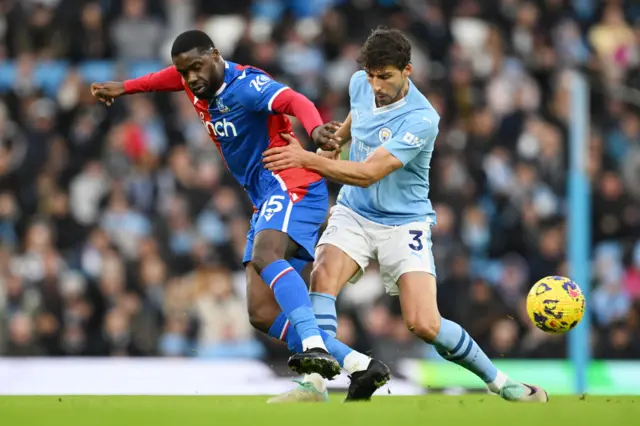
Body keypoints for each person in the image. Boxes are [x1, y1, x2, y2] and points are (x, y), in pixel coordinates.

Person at [263, 27, 549, 403]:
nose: (376, 85)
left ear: (407, 70)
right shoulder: (359, 84)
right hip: (354, 213)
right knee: (323, 275)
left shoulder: (422, 119)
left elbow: (368, 173)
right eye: (371, 75)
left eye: (386, 77)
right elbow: (357, 118)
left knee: (424, 323)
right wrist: (336, 142)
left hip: (403, 222)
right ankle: (315, 384)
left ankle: (499, 382)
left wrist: (307, 159)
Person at [91, 30, 383, 387]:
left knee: (266, 253)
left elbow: (295, 100)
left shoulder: (246, 85)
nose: (191, 78)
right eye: (185, 72)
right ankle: (358, 364)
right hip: (263, 195)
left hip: (290, 180)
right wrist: (125, 87)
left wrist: (317, 128)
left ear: (215, 55)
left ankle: (312, 345)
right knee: (260, 313)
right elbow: (165, 78)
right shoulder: (192, 81)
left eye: (197, 67)